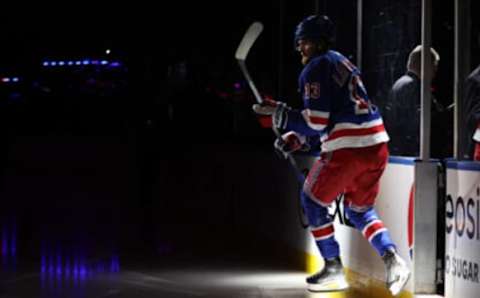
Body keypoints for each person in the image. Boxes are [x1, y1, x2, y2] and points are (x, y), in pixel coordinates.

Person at [252, 15, 410, 295]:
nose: (300, 48)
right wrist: (296, 138)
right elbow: (331, 116)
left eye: (304, 42)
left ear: (316, 42)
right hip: (376, 145)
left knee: (311, 200)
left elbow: (316, 121)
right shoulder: (341, 61)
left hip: (347, 149)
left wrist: (280, 113)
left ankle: (334, 269)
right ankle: (392, 259)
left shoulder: (314, 68)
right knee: (358, 210)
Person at [385, 45, 441, 156]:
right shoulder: (414, 86)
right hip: (413, 152)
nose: (435, 72)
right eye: (434, 66)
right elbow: (417, 122)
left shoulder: (400, 83)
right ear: (425, 64)